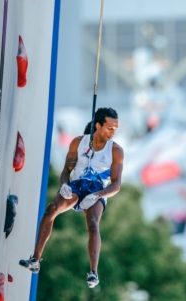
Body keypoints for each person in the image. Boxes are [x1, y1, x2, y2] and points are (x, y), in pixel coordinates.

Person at [19, 107, 124, 288]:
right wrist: (64, 185)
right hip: (76, 185)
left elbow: (116, 185)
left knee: (92, 222)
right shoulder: (78, 143)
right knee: (51, 209)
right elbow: (66, 171)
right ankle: (35, 260)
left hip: (97, 189)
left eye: (116, 128)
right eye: (109, 128)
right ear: (98, 126)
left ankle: (93, 272)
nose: (113, 132)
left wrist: (98, 195)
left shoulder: (116, 151)